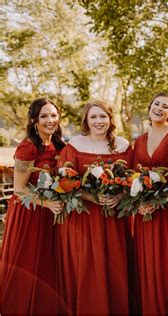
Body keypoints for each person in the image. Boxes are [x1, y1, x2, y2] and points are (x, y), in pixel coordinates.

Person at [57, 100, 132, 314]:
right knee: (88, 268)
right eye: (93, 117)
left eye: (103, 116)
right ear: (86, 121)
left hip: (115, 218)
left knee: (114, 266)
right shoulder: (74, 146)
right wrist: (91, 196)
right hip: (85, 218)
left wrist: (119, 196)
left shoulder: (123, 145)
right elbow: (65, 183)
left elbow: (133, 178)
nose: (99, 121)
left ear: (110, 118)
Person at [0, 98, 65, 314]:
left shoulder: (58, 144)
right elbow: (19, 189)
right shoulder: (28, 146)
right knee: (29, 263)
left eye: (53, 115)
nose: (50, 120)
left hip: (51, 211)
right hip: (30, 212)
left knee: (49, 262)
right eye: (44, 116)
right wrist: (46, 203)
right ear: (34, 120)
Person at [131, 92, 168, 314]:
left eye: (165, 106)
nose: (159, 108)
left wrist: (164, 197)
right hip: (145, 212)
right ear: (150, 107)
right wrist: (139, 201)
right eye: (156, 104)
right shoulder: (140, 140)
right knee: (147, 264)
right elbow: (133, 175)